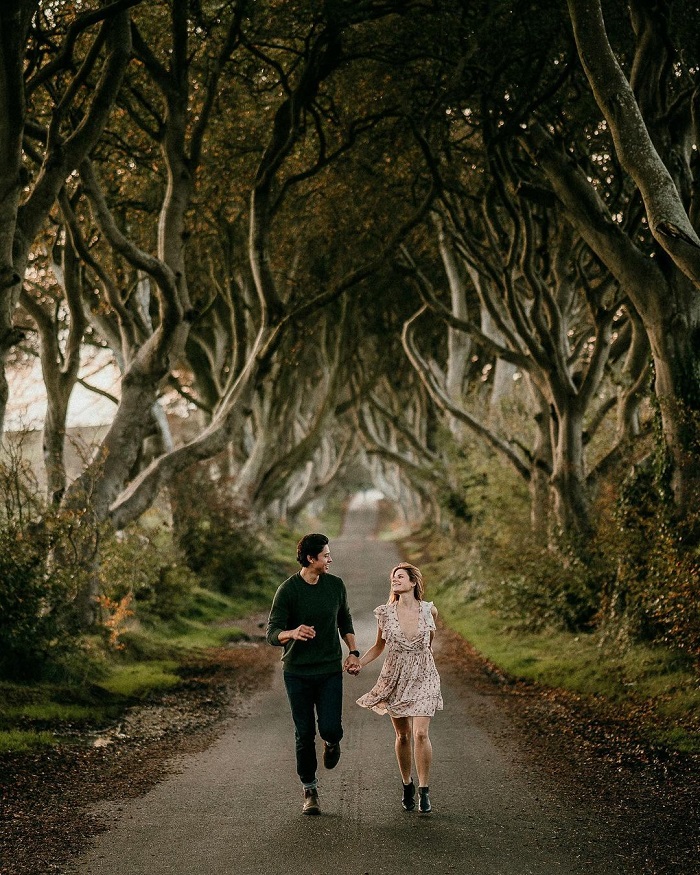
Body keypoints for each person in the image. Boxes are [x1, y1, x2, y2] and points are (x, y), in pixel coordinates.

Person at [266, 533, 361, 815]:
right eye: (326, 555)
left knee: (330, 728)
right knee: (304, 733)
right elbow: (272, 633)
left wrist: (353, 652)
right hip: (297, 673)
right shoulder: (288, 591)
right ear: (311, 558)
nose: (330, 559)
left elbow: (344, 620)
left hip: (329, 669)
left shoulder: (335, 585)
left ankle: (331, 743)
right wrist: (292, 632)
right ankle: (310, 789)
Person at [353, 562, 442, 814]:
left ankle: (424, 790)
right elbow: (378, 646)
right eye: (393, 577)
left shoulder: (429, 610)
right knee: (403, 735)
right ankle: (407, 784)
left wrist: (420, 661)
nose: (395, 580)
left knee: (420, 734)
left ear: (413, 582)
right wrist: (359, 663)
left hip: (424, 675)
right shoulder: (385, 613)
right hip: (395, 677)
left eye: (400, 576)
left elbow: (429, 643)